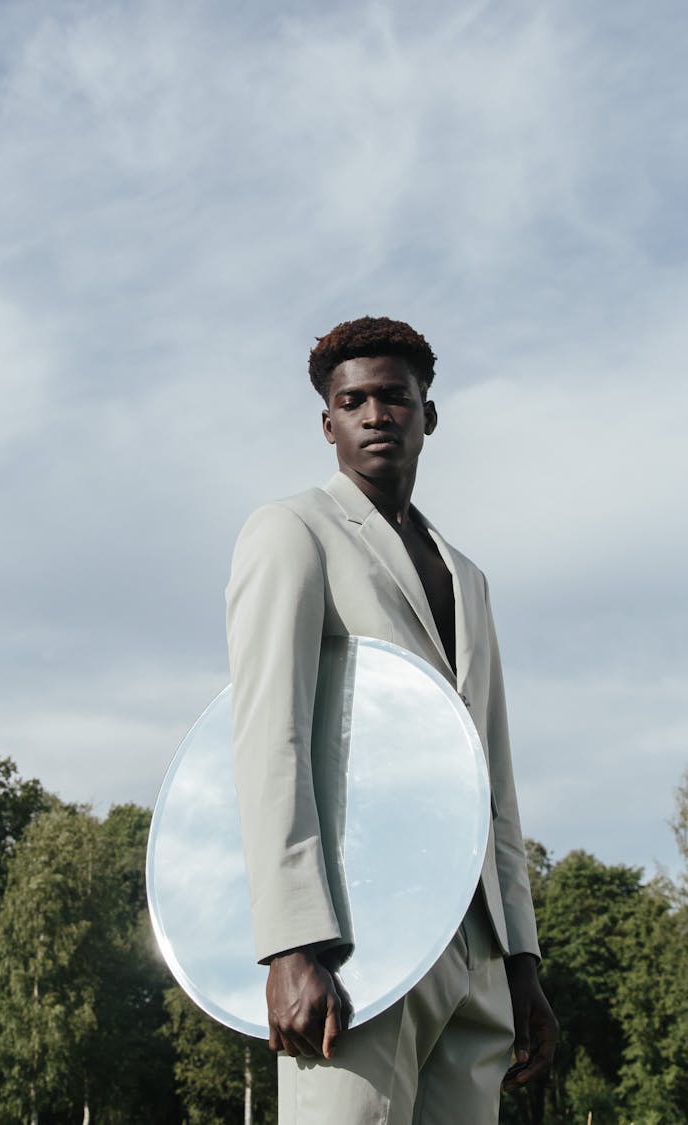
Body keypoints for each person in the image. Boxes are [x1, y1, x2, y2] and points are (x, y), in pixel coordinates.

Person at [226, 317, 557, 1123]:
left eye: (395, 398)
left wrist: (521, 963)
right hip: (355, 952)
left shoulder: (466, 576)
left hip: (474, 956)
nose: (377, 414)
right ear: (329, 421)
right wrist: (289, 943)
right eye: (355, 400)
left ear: (427, 415)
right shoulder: (292, 532)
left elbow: (495, 779)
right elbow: (271, 736)